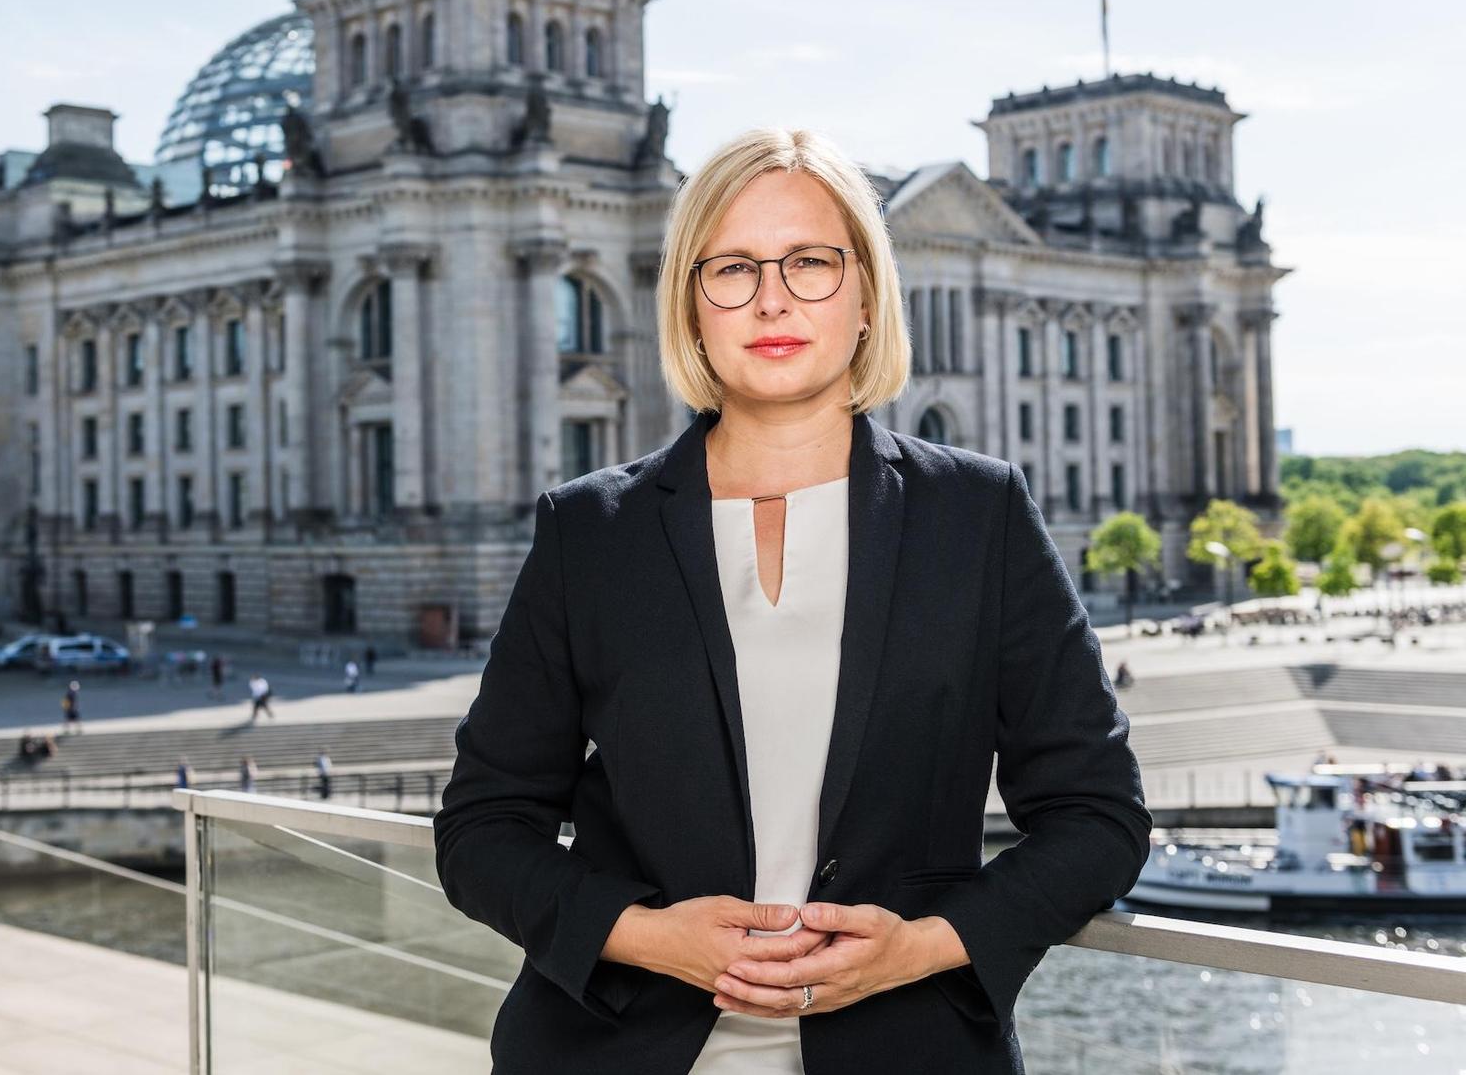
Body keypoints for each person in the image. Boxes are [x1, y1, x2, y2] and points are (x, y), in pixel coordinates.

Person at [432, 128, 1151, 1074]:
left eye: (811, 261)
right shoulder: (590, 531)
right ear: (690, 307)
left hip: (907, 1044)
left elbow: (1100, 818)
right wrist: (649, 937)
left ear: (865, 295)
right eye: (730, 267)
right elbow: (481, 831)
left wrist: (923, 947)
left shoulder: (980, 515)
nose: (772, 297)